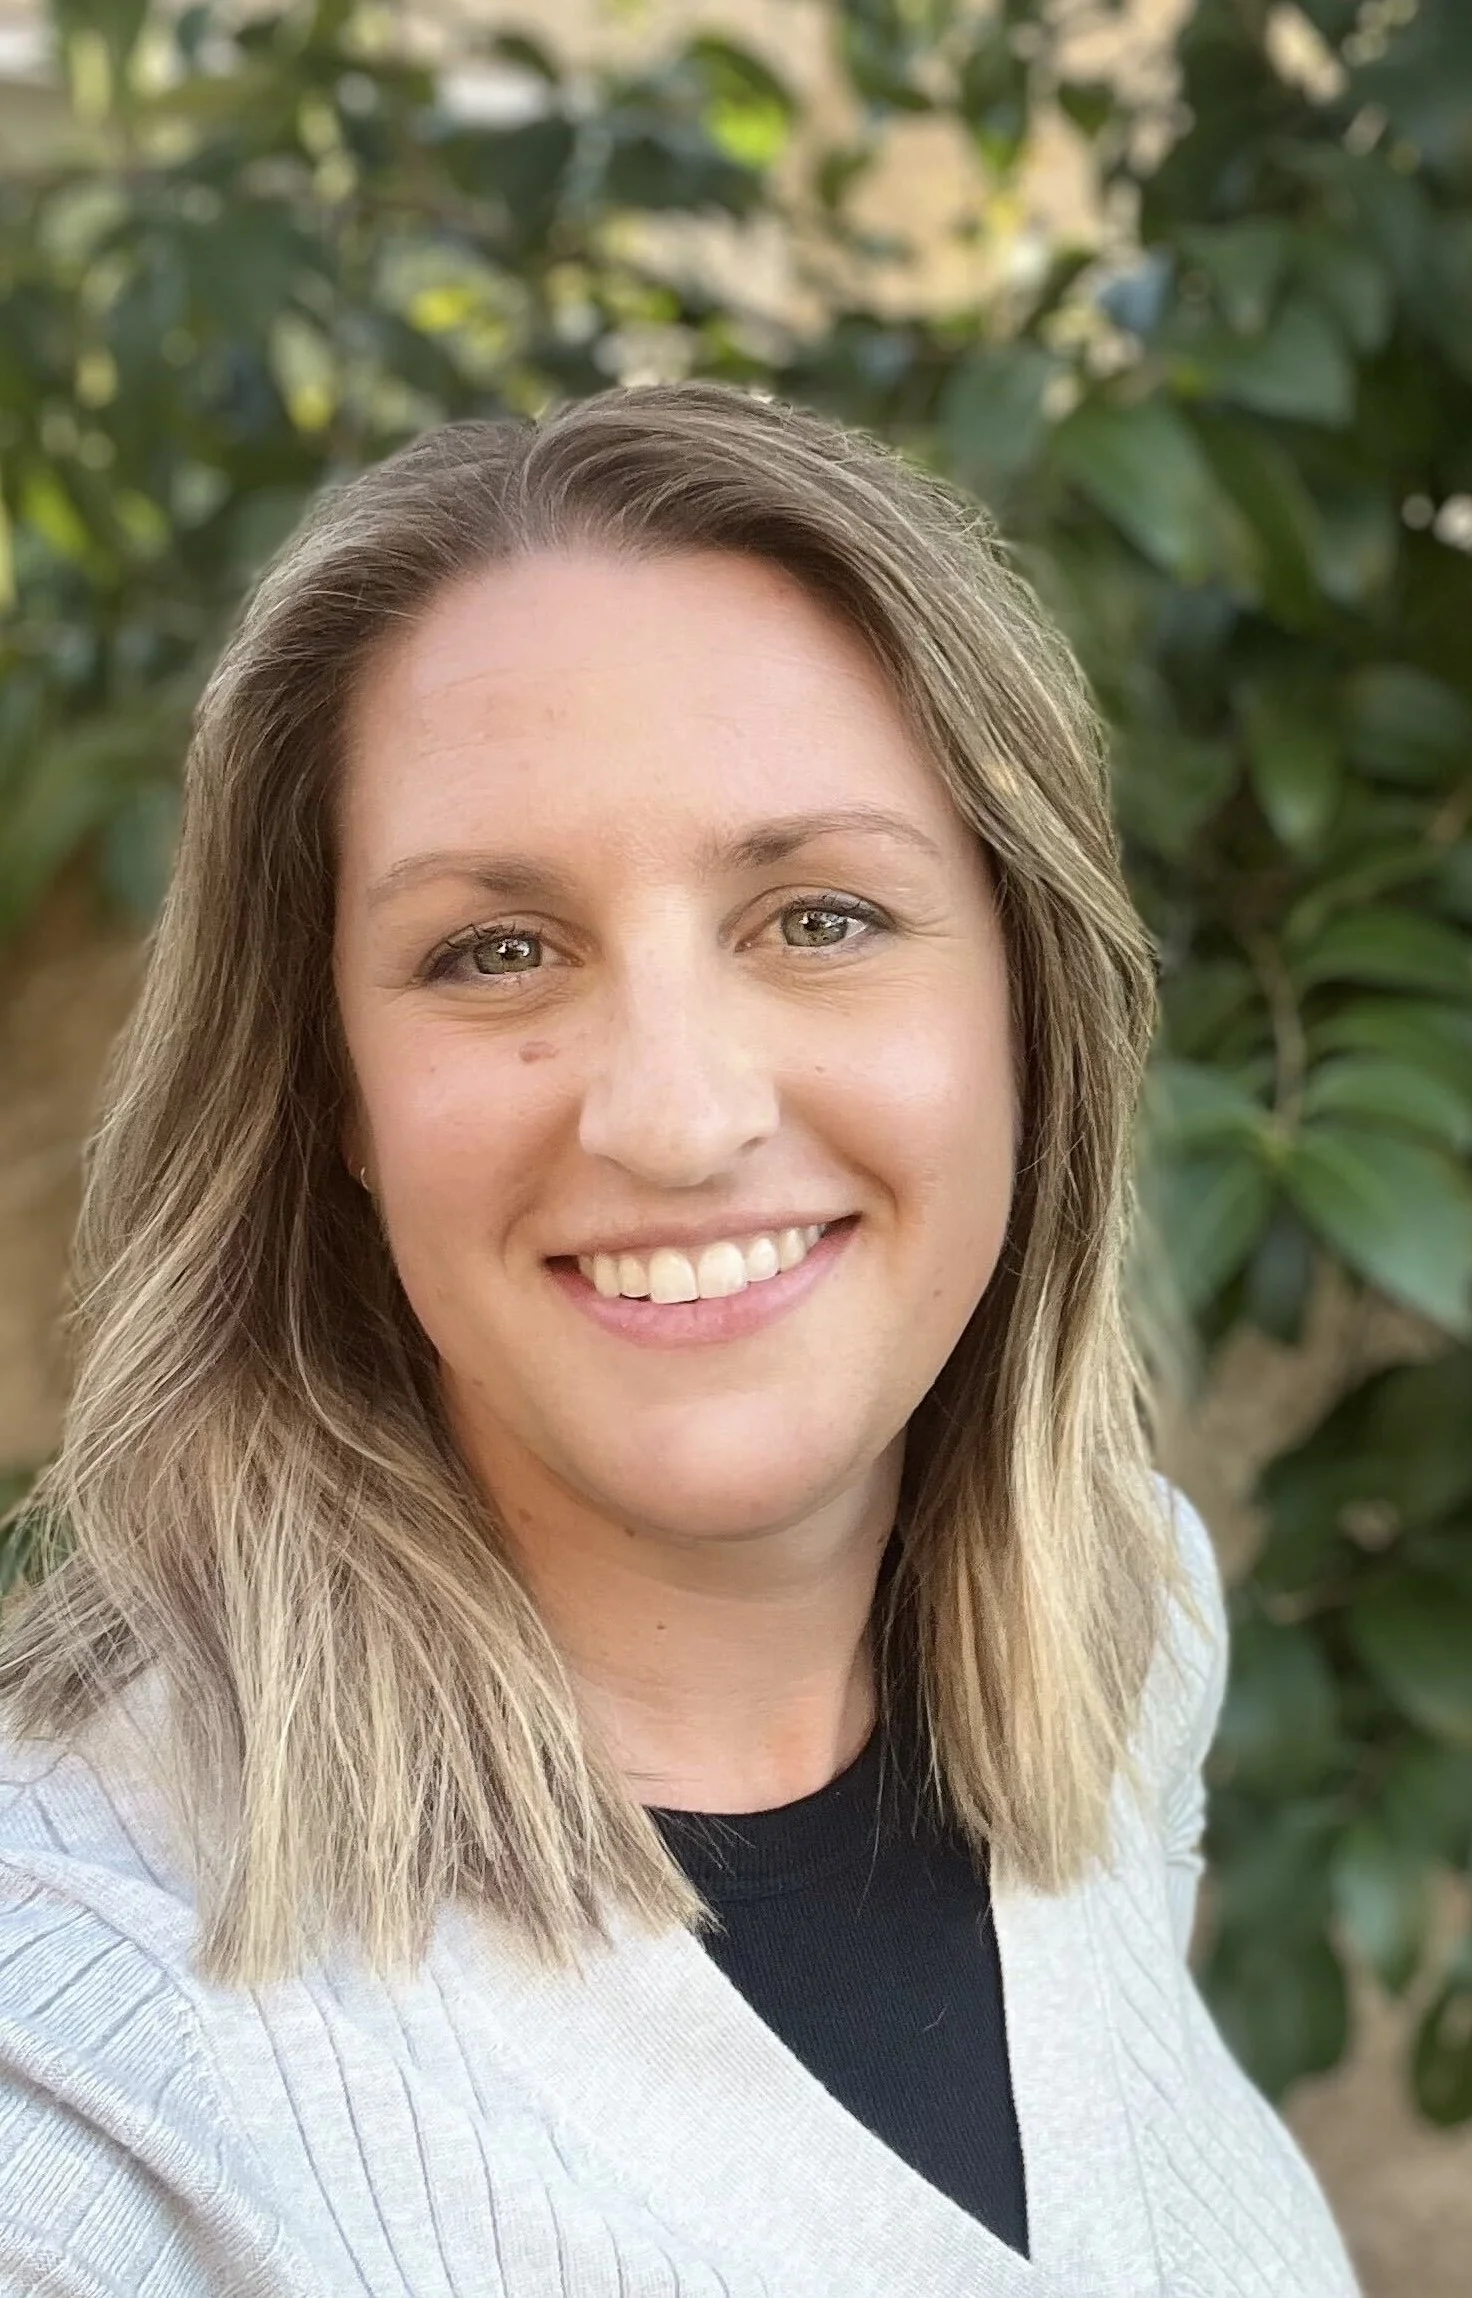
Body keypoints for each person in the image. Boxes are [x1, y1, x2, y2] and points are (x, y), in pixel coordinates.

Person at [0, 381, 1361, 2298]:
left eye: (819, 915)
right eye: (494, 950)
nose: (676, 1115)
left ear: (1028, 1002)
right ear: (333, 1097)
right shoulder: (85, 2046)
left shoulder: (1121, 1638)